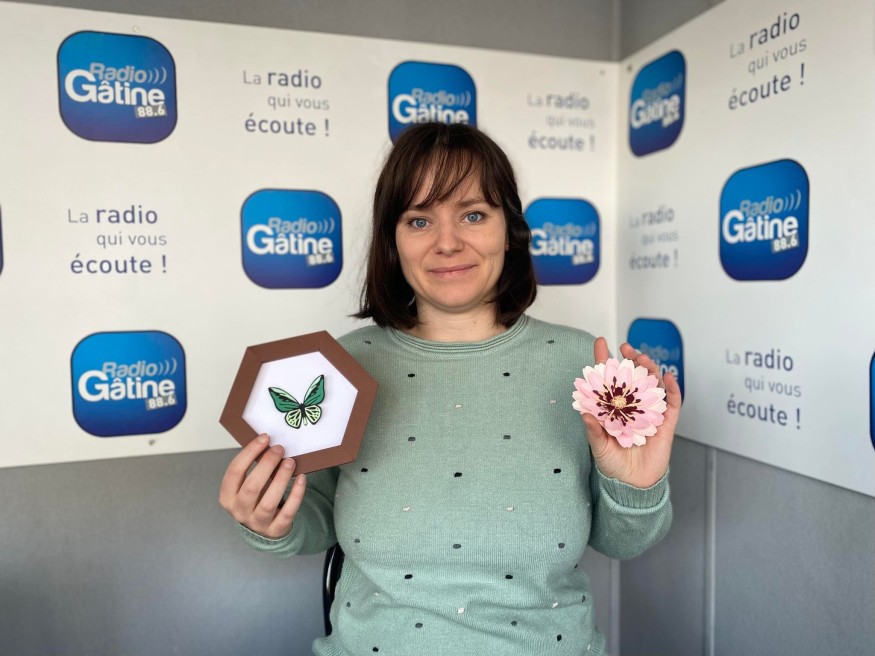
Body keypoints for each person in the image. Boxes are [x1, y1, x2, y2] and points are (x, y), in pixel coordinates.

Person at [219, 122, 681, 655]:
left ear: (509, 229)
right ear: (392, 239)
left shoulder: (587, 369)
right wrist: (269, 520)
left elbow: (623, 542)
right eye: (419, 220)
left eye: (473, 214)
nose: (446, 243)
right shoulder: (338, 367)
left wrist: (635, 489)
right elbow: (315, 521)